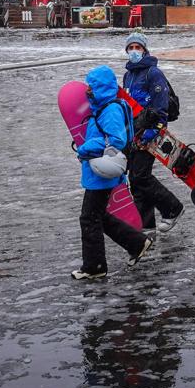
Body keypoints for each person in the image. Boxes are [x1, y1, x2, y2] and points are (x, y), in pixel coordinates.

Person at [72, 66, 155, 280]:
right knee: (98, 215)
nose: (88, 90)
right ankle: (137, 243)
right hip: (100, 171)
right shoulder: (107, 107)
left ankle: (94, 267)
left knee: (89, 218)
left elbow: (116, 140)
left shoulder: (110, 110)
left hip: (102, 171)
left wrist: (85, 148)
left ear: (101, 87)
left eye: (92, 86)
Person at [122, 32, 185, 234]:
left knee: (140, 176)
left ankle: (172, 207)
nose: (134, 51)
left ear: (144, 50)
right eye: (130, 48)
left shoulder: (153, 73)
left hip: (150, 133)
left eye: (137, 47)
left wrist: (150, 134)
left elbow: (161, 109)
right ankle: (146, 224)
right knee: (136, 179)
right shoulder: (128, 75)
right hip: (134, 133)